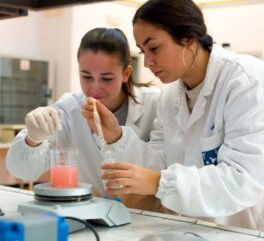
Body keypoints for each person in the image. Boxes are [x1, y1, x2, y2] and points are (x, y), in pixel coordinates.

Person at [82, 0, 264, 231]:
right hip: (195, 229)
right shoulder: (169, 98)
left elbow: (243, 179)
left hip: (253, 234)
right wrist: (116, 136)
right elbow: (158, 162)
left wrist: (159, 182)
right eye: (142, 51)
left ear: (188, 38)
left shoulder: (246, 80)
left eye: (154, 48)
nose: (147, 63)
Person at [6, 27, 163, 212]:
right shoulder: (69, 108)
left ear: (126, 74)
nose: (95, 88)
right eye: (86, 76)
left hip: (147, 220)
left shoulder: (156, 104)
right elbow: (21, 171)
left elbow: (167, 169)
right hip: (92, 217)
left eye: (106, 78)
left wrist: (120, 139)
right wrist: (33, 140)